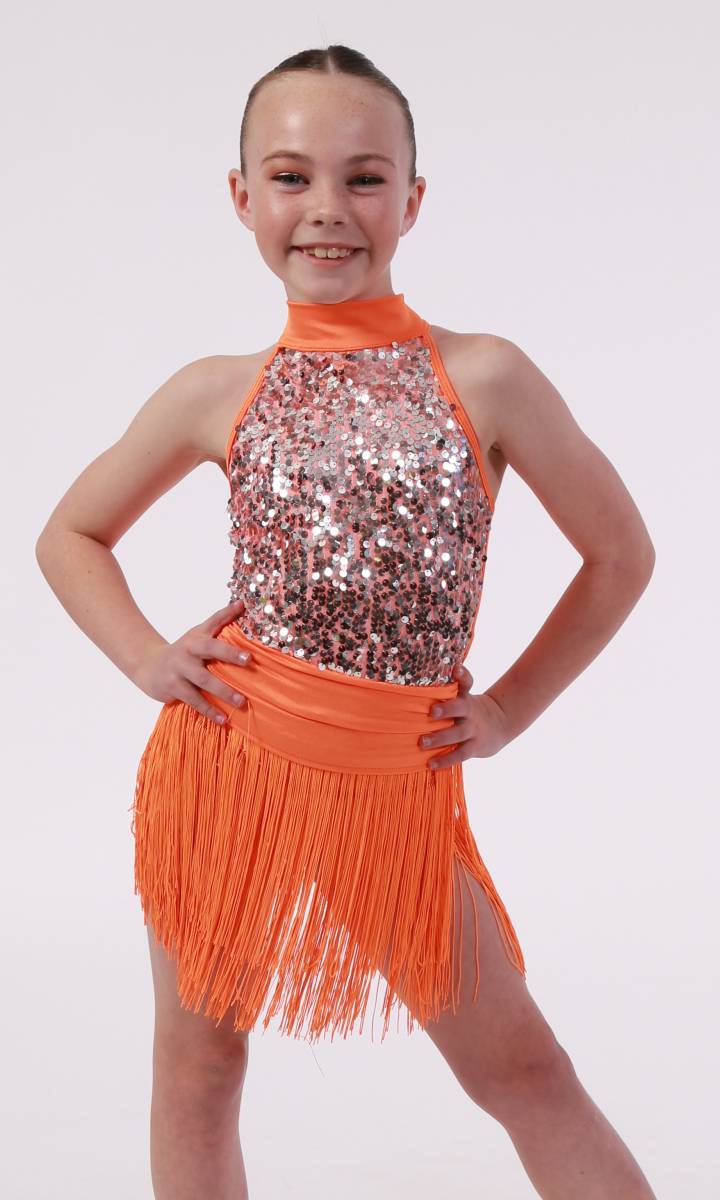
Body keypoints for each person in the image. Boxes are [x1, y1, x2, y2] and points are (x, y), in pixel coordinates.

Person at [35, 42, 659, 1200]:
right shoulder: (217, 389)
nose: (327, 207)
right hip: (228, 765)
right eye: (290, 176)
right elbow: (70, 534)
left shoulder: (487, 377)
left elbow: (621, 555)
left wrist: (509, 708)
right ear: (243, 199)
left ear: (412, 200)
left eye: (364, 178)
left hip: (393, 784)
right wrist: (148, 658)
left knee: (525, 1069)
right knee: (199, 1068)